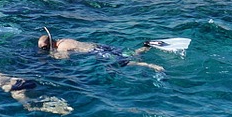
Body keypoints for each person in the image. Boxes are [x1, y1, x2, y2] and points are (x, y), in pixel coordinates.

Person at [0, 59, 73, 115]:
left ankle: (58, 110)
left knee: (28, 105)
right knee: (39, 96)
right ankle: (57, 101)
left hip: (14, 88)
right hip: (21, 81)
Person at [36, 28, 171, 72]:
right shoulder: (64, 40)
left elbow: (65, 59)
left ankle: (151, 66)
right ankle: (147, 46)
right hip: (99, 46)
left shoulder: (61, 47)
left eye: (44, 48)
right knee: (127, 53)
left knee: (122, 62)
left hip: (96, 52)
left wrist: (54, 57)